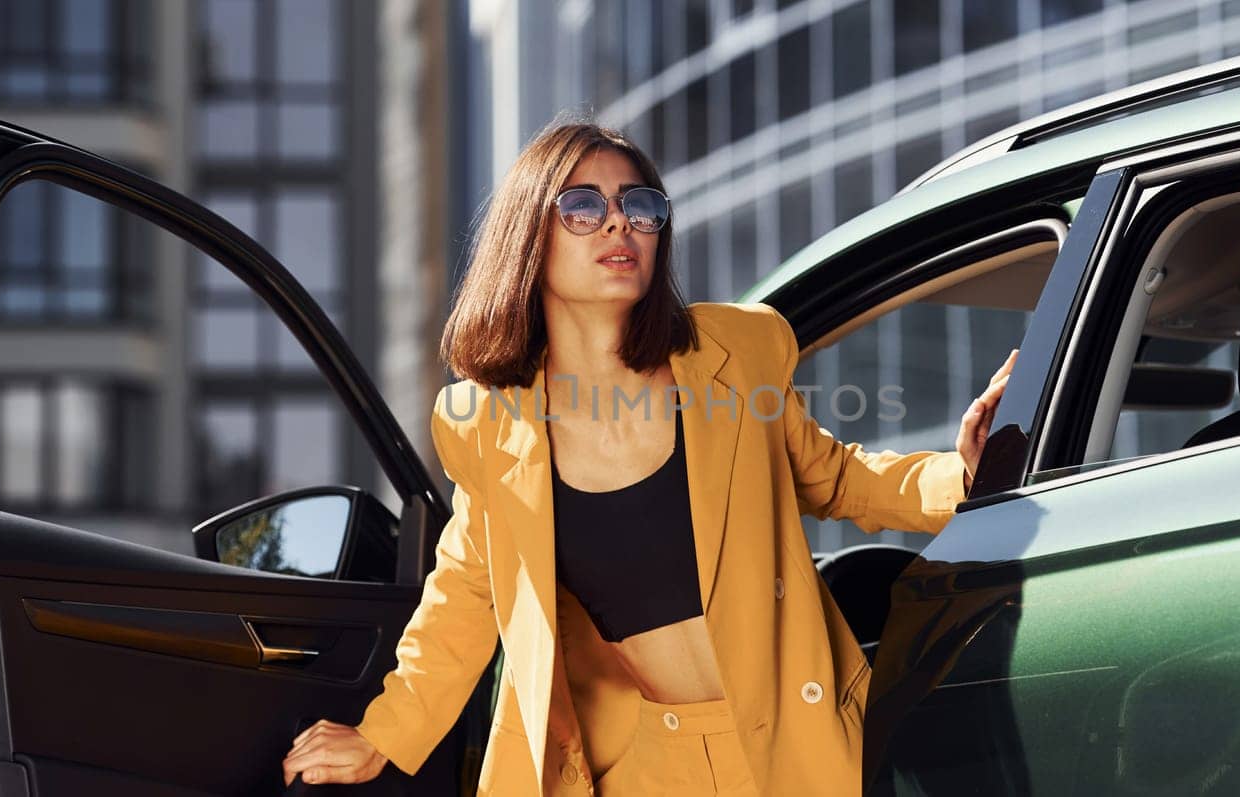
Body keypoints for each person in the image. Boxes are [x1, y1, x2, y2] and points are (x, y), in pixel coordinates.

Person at [280, 116, 1014, 795]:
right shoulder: (487, 423)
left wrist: (968, 473)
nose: (619, 223)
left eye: (640, 206)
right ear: (528, 238)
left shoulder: (737, 353)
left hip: (794, 736)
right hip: (641, 763)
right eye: (583, 207)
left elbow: (836, 478)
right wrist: (383, 735)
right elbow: (467, 593)